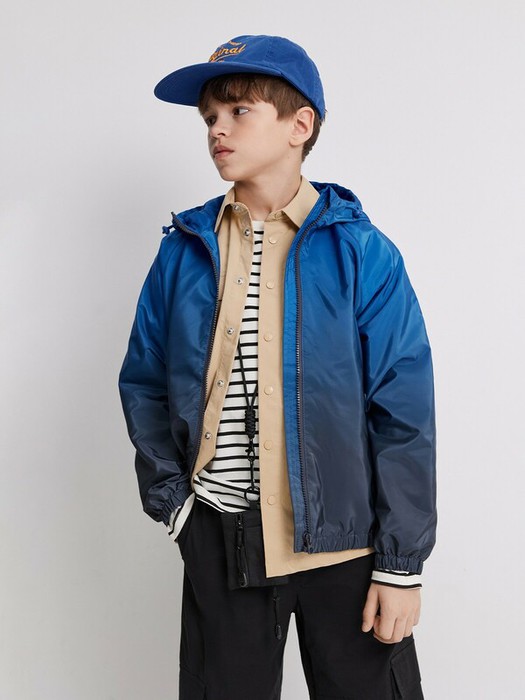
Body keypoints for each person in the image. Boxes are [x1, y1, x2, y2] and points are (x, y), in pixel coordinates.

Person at [119, 34, 437, 700]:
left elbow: (402, 412)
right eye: (209, 117)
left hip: (345, 547)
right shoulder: (185, 249)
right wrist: (175, 504)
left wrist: (399, 565)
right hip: (220, 534)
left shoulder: (361, 251)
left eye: (239, 111)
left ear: (300, 125)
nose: (217, 129)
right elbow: (144, 380)